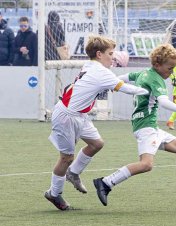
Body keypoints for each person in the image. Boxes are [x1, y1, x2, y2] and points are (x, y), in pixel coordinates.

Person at [92, 43, 176, 207]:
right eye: (169, 69)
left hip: (150, 126)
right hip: (146, 127)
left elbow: (125, 77)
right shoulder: (156, 79)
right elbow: (164, 102)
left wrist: (111, 84)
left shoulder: (144, 73)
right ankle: (106, 183)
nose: (171, 73)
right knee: (146, 164)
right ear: (157, 64)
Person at [44, 35, 149, 211]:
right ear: (99, 54)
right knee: (66, 157)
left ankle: (73, 173)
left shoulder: (92, 65)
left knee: (96, 143)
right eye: (110, 53)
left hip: (80, 115)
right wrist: (148, 91)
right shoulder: (100, 72)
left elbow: (114, 81)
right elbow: (125, 88)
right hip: (67, 116)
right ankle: (54, 193)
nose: (113, 57)